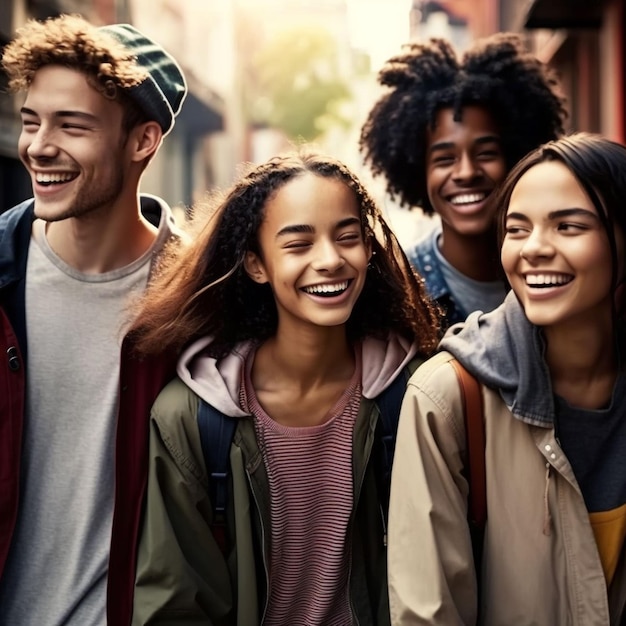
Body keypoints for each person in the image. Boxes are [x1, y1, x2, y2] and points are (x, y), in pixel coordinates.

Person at [128, 148, 441, 624]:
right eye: (298, 244)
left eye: (348, 237)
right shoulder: (191, 417)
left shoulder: (414, 394)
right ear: (257, 265)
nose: (331, 260)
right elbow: (174, 602)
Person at [388, 132, 626, 625]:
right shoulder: (446, 397)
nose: (534, 249)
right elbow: (427, 613)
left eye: (568, 226)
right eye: (517, 229)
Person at [0, 14, 187, 626]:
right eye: (32, 122)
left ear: (142, 141)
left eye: (71, 126)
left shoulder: (196, 294)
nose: (38, 146)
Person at [360, 32, 567, 330]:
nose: (467, 172)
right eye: (445, 158)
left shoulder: (556, 267)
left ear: (516, 157)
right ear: (419, 171)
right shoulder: (398, 290)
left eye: (486, 153)